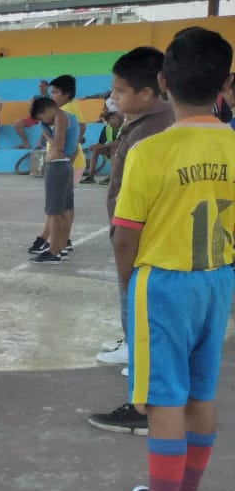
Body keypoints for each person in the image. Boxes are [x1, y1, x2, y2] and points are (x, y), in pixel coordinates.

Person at [83, 27, 235, 491]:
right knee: (200, 393)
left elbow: (125, 235)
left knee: (163, 400)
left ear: (164, 81)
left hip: (164, 282)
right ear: (225, 83)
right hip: (217, 277)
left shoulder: (152, 149)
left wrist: (130, 290)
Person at [87, 46, 174, 433]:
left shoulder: (152, 132)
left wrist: (126, 267)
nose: (113, 97)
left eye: (119, 91)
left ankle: (145, 410)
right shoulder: (140, 124)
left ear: (148, 92)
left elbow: (136, 204)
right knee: (142, 327)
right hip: (141, 242)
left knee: (145, 325)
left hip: (140, 245)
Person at [27, 97, 78, 266]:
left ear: (47, 110)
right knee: (64, 209)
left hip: (57, 166)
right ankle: (61, 247)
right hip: (64, 164)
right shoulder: (71, 117)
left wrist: (46, 134)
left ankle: (54, 251)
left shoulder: (60, 117)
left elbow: (59, 145)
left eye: (41, 117)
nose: (43, 121)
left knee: (54, 211)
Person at [11, 79, 51, 149]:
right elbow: (31, 110)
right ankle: (25, 143)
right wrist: (32, 105)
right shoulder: (35, 97)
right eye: (39, 86)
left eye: (43, 86)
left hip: (46, 117)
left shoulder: (51, 97)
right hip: (35, 117)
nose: (41, 88)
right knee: (16, 124)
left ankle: (40, 143)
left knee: (46, 125)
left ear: (47, 87)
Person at [88, 110, 123, 185]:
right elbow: (100, 143)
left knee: (114, 149)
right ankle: (90, 176)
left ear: (118, 119)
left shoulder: (124, 127)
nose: (109, 122)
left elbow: (119, 143)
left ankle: (113, 177)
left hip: (125, 152)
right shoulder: (106, 128)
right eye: (109, 120)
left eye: (112, 118)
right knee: (96, 149)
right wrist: (95, 146)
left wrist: (103, 146)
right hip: (112, 151)